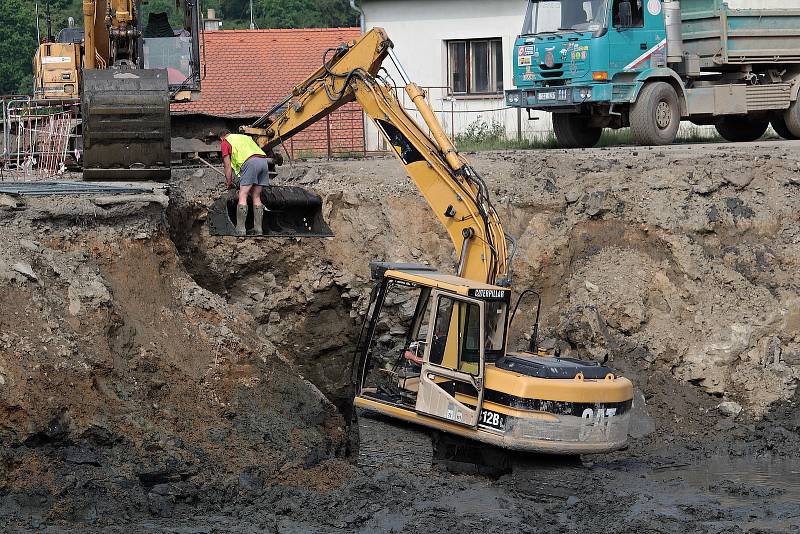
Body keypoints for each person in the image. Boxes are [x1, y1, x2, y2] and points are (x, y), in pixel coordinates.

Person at [219, 129, 271, 236]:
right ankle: (258, 230)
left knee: (243, 194)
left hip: (250, 163)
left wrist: (229, 182)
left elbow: (227, 165)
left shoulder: (225, 142)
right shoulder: (245, 137)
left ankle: (241, 230)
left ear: (222, 137)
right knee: (256, 196)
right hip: (263, 161)